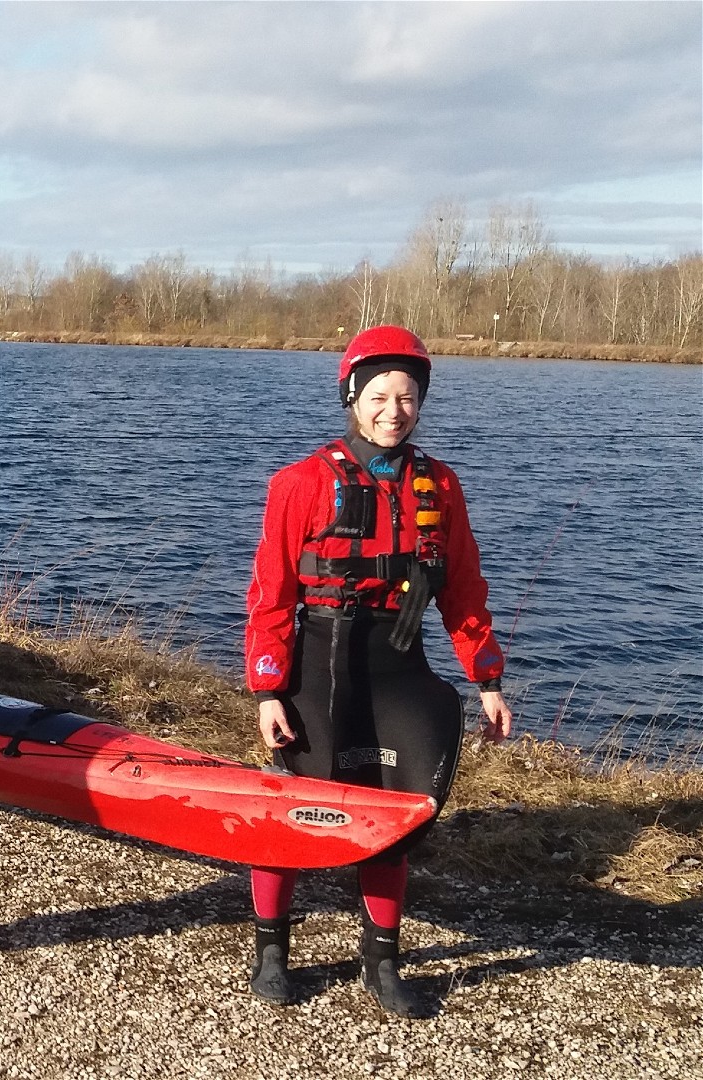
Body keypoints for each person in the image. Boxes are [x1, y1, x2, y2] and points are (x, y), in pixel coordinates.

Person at [242, 325, 514, 1017]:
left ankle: (381, 960)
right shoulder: (299, 483)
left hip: (398, 663)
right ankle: (272, 948)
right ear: (352, 398)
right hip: (317, 669)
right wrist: (268, 688)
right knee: (293, 812)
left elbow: (463, 591)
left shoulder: (439, 485)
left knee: (397, 813)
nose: (395, 409)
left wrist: (487, 679)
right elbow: (270, 594)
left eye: (409, 397)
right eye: (380, 396)